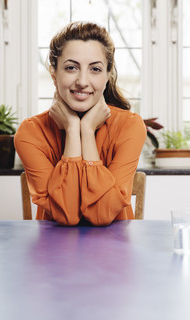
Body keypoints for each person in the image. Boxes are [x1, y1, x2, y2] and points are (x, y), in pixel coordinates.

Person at [14, 21, 146, 226]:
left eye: (94, 69)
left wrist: (86, 130)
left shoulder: (130, 126)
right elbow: (67, 215)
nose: (82, 81)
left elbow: (102, 214)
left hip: (114, 253)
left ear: (107, 76)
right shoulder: (30, 133)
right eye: (71, 67)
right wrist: (73, 128)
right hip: (53, 252)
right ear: (54, 74)